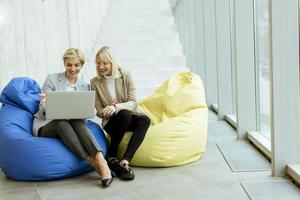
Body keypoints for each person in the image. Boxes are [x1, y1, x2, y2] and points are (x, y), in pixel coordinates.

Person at [32, 48, 113, 187]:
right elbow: (41, 110)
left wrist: (90, 111)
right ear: (64, 64)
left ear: (81, 65)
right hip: (47, 124)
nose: (73, 69)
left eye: (76, 65)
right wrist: (47, 104)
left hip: (73, 124)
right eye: (69, 65)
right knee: (62, 122)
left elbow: (84, 117)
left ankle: (101, 160)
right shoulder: (52, 79)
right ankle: (92, 161)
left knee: (76, 121)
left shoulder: (85, 86)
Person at [90, 46, 151, 180]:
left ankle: (125, 160)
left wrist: (116, 106)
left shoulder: (126, 76)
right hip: (111, 123)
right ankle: (111, 155)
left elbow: (134, 102)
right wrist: (108, 110)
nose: (101, 66)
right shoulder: (94, 82)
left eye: (104, 63)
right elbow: (99, 111)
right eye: (98, 63)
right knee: (124, 114)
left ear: (113, 62)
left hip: (127, 117)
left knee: (145, 120)